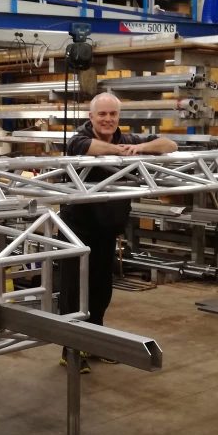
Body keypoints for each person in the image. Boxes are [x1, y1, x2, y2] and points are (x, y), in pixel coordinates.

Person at [58, 92, 176, 373]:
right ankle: (70, 349)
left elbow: (170, 144)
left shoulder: (128, 139)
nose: (108, 119)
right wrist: (120, 151)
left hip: (106, 229)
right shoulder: (78, 139)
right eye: (102, 114)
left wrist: (141, 147)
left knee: (101, 290)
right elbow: (88, 147)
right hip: (77, 230)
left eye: (113, 114)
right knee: (74, 292)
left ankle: (96, 343)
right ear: (91, 117)